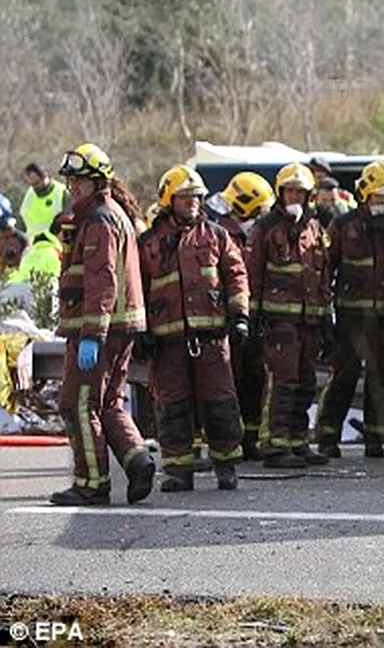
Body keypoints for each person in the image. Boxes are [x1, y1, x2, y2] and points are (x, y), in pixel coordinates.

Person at [49, 142, 156, 506]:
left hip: (99, 330)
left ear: (98, 182)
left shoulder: (99, 222)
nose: (73, 186)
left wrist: (92, 335)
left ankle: (91, 484)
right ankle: (137, 459)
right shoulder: (106, 215)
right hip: (116, 327)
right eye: (70, 180)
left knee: (77, 404)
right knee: (107, 402)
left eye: (79, 179)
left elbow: (102, 280)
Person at [137, 166, 249, 492]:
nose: (192, 204)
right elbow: (137, 287)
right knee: (172, 406)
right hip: (167, 341)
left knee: (221, 402)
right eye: (185, 198)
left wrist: (239, 316)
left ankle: (226, 467)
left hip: (212, 339)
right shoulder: (149, 243)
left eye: (197, 198)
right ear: (169, 200)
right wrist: (141, 330)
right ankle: (178, 470)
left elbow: (236, 276)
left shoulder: (217, 235)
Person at [317, 161, 384, 459]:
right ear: (365, 194)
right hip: (351, 315)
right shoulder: (343, 224)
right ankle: (327, 436)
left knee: (382, 378)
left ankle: (375, 438)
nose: (382, 204)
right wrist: (324, 311)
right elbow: (326, 266)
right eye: (378, 197)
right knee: (344, 376)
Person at [246, 163, 332, 468]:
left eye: (300, 191)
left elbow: (322, 274)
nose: (294, 196)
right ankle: (275, 444)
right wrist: (251, 315)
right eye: (290, 191)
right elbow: (253, 273)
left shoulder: (314, 227)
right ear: (280, 193)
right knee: (283, 381)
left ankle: (298, 441)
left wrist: (325, 314)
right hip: (278, 319)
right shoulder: (266, 227)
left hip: (309, 319)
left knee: (306, 382)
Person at [204, 171, 274, 460]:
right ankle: (224, 443)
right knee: (226, 381)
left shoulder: (259, 232)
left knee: (254, 380)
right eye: (259, 209)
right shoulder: (218, 231)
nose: (263, 214)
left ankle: (250, 439)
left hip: (256, 317)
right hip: (226, 318)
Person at [19, 163, 67, 238]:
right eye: (32, 184)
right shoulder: (30, 193)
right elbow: (23, 220)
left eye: (37, 183)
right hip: (33, 246)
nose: (35, 187)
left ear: (45, 176)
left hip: (54, 246)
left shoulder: (62, 192)